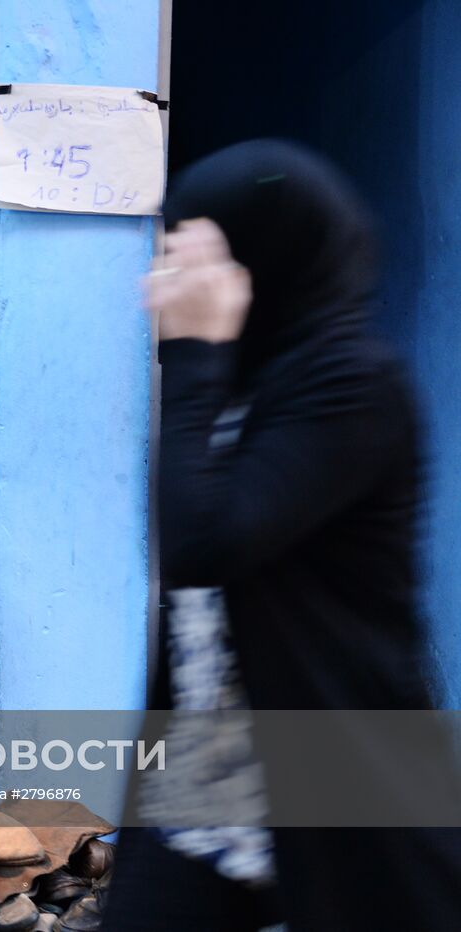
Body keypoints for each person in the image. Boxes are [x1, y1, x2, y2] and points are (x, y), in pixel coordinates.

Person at [103, 140, 461, 930]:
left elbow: (205, 538)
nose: (169, 279)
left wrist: (193, 353)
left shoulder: (356, 385)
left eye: (205, 249)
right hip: (208, 771)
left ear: (264, 260)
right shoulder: (253, 381)